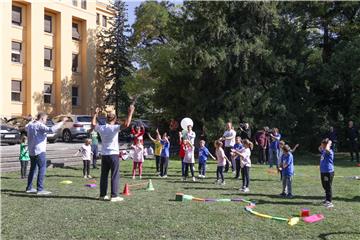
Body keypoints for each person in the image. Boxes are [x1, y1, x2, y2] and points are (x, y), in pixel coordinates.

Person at [91, 105, 135, 202]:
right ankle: (114, 196)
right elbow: (127, 124)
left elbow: (93, 125)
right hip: (113, 155)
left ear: (107, 119)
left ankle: (102, 195)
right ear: (114, 119)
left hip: (104, 155)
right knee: (114, 175)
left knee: (104, 175)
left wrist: (95, 114)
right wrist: (130, 112)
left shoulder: (102, 128)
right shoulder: (115, 128)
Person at [25, 112, 67, 195]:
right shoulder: (40, 125)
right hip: (39, 151)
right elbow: (51, 130)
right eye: (45, 119)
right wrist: (62, 122)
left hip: (31, 151)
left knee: (33, 169)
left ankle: (29, 188)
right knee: (42, 168)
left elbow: (26, 126)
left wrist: (31, 120)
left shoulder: (30, 125)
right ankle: (40, 189)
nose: (46, 121)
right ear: (42, 118)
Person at [319, 138, 335, 208]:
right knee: (324, 185)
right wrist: (323, 144)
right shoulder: (323, 151)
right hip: (323, 171)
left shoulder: (329, 151)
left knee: (328, 186)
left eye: (323, 145)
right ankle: (327, 199)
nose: (321, 146)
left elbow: (327, 149)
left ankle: (329, 202)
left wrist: (328, 143)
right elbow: (319, 148)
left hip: (328, 172)